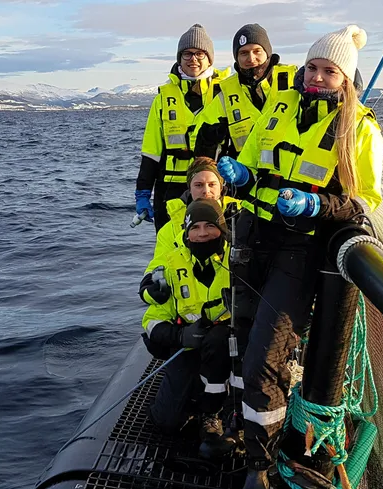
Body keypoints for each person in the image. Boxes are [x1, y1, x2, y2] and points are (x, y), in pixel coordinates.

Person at [215, 25, 383, 488]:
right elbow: (251, 163)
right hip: (253, 242)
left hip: (300, 251)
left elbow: (367, 200)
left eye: (329, 71)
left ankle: (261, 467)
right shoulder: (281, 104)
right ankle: (246, 433)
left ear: (346, 79)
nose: (316, 76)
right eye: (312, 67)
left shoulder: (360, 128)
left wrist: (317, 205)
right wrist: (239, 173)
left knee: (264, 361)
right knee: (241, 343)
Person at [140, 199, 239, 458]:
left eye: (210, 226)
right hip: (190, 346)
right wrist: (180, 335)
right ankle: (196, 394)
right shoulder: (173, 264)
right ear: (186, 232)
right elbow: (152, 320)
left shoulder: (239, 259)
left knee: (221, 343)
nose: (203, 233)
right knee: (166, 421)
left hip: (232, 347)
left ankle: (215, 412)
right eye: (195, 227)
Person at [135, 24, 230, 231]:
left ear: (209, 58)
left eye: (200, 53)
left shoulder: (226, 93)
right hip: (170, 190)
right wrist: (142, 192)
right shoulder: (162, 98)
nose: (193, 59)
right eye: (187, 54)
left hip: (213, 187)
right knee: (171, 250)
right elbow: (151, 153)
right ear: (179, 58)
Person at [139, 157, 241, 305]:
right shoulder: (171, 227)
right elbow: (160, 262)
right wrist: (148, 286)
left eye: (212, 184)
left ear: (222, 186)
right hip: (190, 303)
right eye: (199, 185)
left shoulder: (240, 215)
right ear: (189, 187)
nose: (206, 191)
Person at [193, 24, 297, 160]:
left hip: (286, 174)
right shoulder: (226, 92)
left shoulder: (294, 81)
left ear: (268, 53)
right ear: (236, 57)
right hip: (243, 175)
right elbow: (202, 134)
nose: (251, 58)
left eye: (257, 51)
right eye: (244, 53)